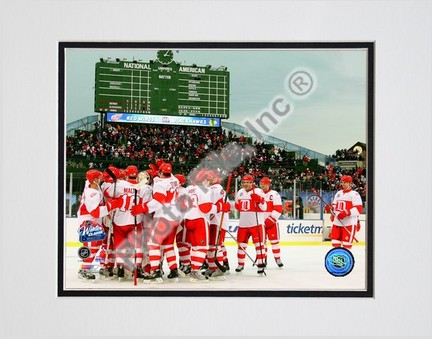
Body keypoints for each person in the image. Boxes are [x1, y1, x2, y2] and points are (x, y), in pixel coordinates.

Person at [131, 162, 181, 283]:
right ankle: (174, 271)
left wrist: (142, 207)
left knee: (153, 244)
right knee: (168, 245)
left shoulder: (159, 184)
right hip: (175, 217)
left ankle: (155, 271)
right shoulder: (175, 180)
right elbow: (168, 175)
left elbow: (158, 202)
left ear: (160, 173)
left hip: (163, 217)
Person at [76, 169, 123, 280]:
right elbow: (95, 212)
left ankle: (86, 269)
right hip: (89, 221)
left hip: (93, 221)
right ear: (94, 179)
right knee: (92, 247)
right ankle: (84, 270)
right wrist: (111, 205)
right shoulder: (92, 193)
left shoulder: (92, 187)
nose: (100, 179)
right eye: (98, 178)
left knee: (95, 246)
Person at [234, 174, 267, 275]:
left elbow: (264, 208)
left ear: (252, 182)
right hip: (243, 224)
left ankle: (261, 265)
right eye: (244, 182)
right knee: (241, 245)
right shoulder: (240, 192)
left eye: (248, 182)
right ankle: (240, 264)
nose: (246, 184)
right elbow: (237, 206)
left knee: (259, 245)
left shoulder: (258, 191)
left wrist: (260, 200)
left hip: (256, 224)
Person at [327, 175, 363, 249]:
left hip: (349, 223)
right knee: (335, 244)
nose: (343, 184)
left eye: (345, 182)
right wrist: (330, 209)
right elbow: (334, 206)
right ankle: (336, 260)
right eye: (342, 182)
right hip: (337, 223)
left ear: (350, 183)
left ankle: (345, 260)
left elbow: (359, 209)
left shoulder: (354, 194)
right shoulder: (338, 193)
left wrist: (346, 213)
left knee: (346, 246)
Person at [259, 176, 284, 268]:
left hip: (271, 223)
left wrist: (270, 220)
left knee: (274, 242)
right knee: (262, 243)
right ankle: (263, 259)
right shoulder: (258, 193)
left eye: (265, 184)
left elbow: (278, 209)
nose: (263, 186)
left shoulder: (274, 194)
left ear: (269, 184)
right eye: (261, 184)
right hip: (261, 223)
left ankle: (277, 258)